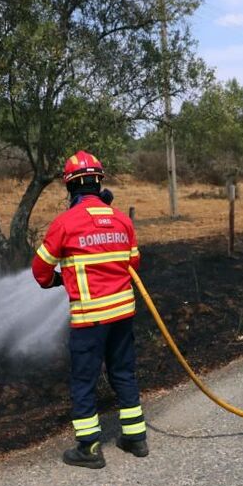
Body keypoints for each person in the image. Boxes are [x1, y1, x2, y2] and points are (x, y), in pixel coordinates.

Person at [31, 150, 147, 469]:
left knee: (84, 379)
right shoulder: (121, 219)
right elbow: (133, 263)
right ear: (99, 183)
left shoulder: (65, 223)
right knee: (123, 372)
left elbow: (40, 271)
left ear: (70, 187)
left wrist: (59, 279)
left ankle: (89, 448)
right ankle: (136, 438)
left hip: (89, 318)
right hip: (122, 313)